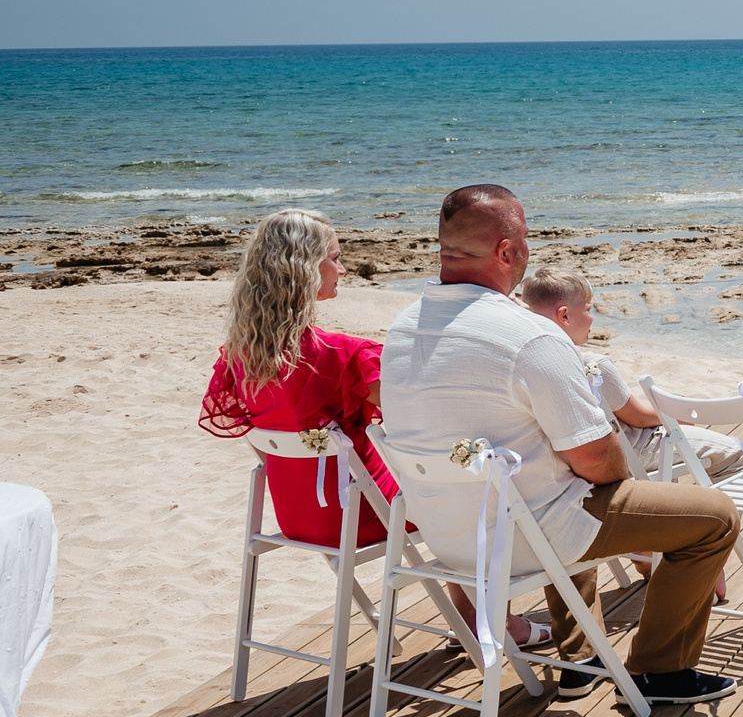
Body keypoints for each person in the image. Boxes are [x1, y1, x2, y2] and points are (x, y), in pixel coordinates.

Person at [380, 185, 742, 705]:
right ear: (507, 251)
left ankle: (582, 657)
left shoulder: (402, 329)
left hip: (451, 539)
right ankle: (661, 671)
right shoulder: (529, 336)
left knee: (561, 492)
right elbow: (598, 459)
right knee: (714, 517)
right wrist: (613, 479)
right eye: (526, 237)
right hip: (525, 535)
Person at [198, 208, 549, 649]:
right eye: (335, 258)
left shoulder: (240, 356)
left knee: (444, 487)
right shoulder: (342, 355)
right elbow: (419, 413)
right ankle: (490, 624)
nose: (343, 269)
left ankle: (472, 620)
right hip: (358, 513)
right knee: (462, 493)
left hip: (297, 516)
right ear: (304, 269)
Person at [518, 266, 743, 484]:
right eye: (588, 309)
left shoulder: (530, 365)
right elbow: (638, 418)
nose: (593, 317)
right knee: (735, 453)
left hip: (572, 459)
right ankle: (726, 510)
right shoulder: (593, 365)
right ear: (565, 316)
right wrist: (677, 416)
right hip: (630, 451)